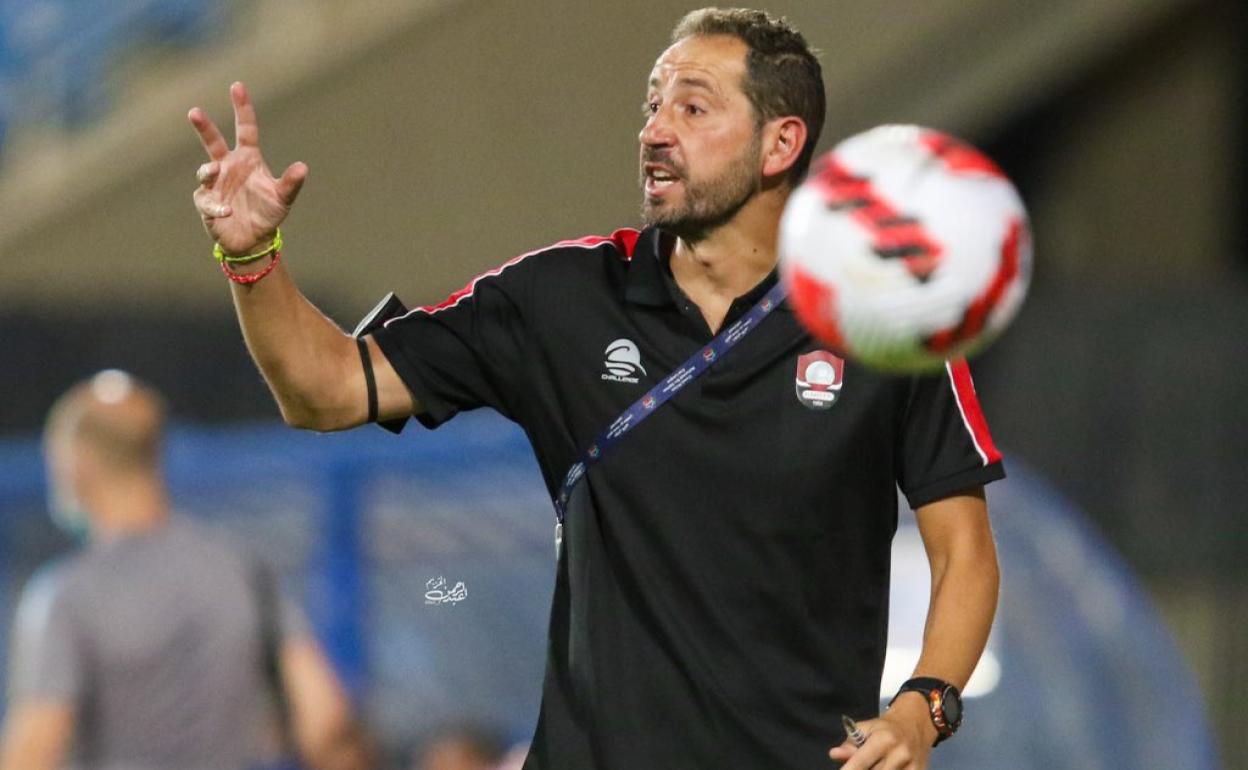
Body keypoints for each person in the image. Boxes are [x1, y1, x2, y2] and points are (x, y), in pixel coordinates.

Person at [186, 8, 1002, 770]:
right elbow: (324, 392)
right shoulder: (559, 299)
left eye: (692, 108)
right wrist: (253, 260)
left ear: (780, 143)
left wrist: (921, 707)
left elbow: (962, 552)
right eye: (652, 106)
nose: (653, 131)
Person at [0, 370, 373, 770]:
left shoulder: (66, 594)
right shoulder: (241, 569)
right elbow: (325, 717)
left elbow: (34, 748)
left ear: (76, 465)